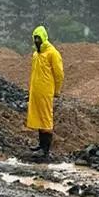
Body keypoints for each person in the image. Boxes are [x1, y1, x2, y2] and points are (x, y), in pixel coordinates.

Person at [27, 25, 64, 161]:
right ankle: (41, 144)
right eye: (35, 38)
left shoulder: (52, 53)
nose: (37, 40)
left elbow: (59, 74)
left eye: (39, 38)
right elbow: (34, 74)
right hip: (36, 92)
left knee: (46, 118)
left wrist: (57, 90)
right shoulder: (36, 54)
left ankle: (46, 149)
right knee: (39, 118)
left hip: (46, 92)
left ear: (44, 38)